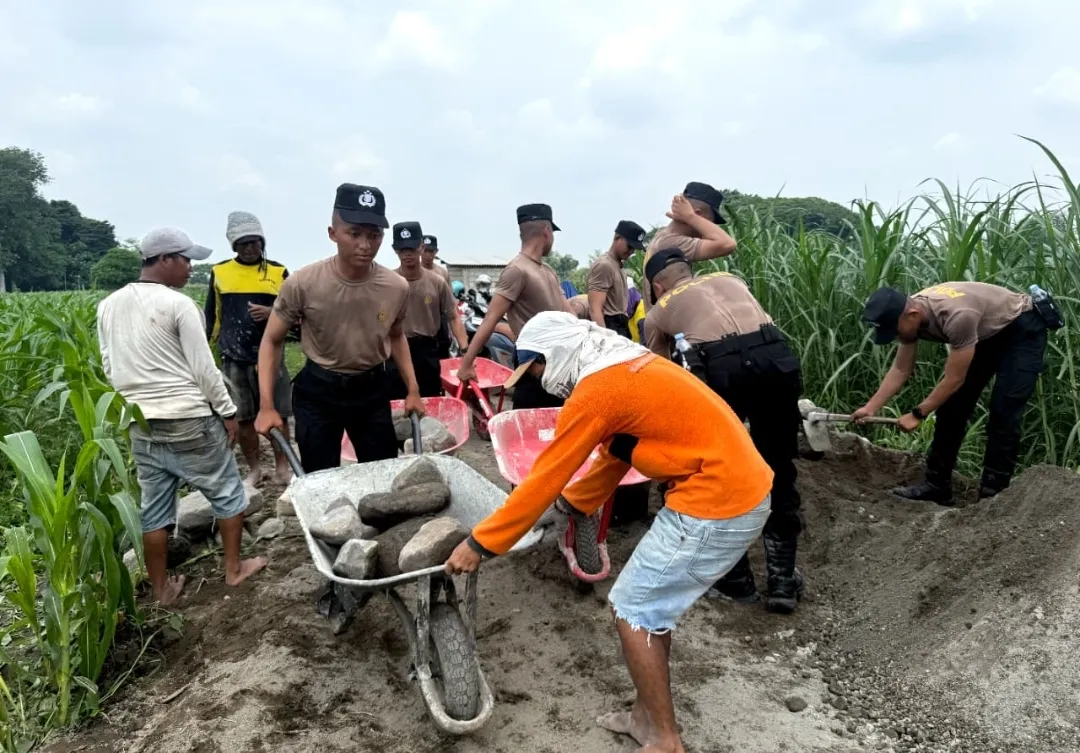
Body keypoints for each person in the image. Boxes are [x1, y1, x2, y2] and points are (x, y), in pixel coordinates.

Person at [445, 311, 773, 753]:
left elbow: (545, 477)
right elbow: (618, 453)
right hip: (737, 488)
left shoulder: (598, 390)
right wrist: (574, 504)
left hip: (717, 503)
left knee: (634, 610)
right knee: (648, 610)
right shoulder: (623, 364)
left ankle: (665, 739)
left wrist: (480, 544)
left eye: (537, 370)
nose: (542, 383)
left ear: (553, 353)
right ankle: (644, 717)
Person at [97, 227, 267, 605]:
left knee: (155, 508)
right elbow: (204, 368)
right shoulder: (179, 305)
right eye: (186, 260)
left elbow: (110, 367)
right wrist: (227, 411)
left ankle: (162, 591)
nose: (191, 267)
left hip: (141, 422)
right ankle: (234, 570)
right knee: (227, 491)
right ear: (164, 260)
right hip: (188, 418)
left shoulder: (108, 305)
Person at [644, 248, 805, 613]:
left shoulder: (658, 310)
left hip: (721, 366)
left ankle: (736, 580)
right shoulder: (730, 279)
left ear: (657, 286)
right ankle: (782, 581)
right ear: (689, 271)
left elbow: (660, 373)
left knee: (719, 470)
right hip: (775, 356)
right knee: (779, 467)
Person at [253, 184, 425, 473]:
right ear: (333, 233)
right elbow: (272, 340)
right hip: (319, 392)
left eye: (374, 235)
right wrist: (267, 406)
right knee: (321, 477)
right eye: (354, 234)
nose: (365, 245)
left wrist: (413, 390)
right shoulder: (303, 283)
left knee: (382, 473)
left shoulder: (396, 287)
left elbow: (396, 336)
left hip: (371, 392)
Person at [856, 281, 1051, 504]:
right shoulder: (910, 313)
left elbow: (954, 379)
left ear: (912, 314)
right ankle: (936, 486)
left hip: (1021, 329)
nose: (895, 336)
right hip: (984, 332)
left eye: (894, 330)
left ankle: (992, 495)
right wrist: (870, 408)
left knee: (1004, 411)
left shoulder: (957, 316)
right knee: (951, 408)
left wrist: (918, 414)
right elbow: (901, 369)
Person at [205, 211, 293, 486]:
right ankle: (254, 469)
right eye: (243, 243)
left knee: (279, 414)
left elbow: (292, 312)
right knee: (242, 417)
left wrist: (271, 312)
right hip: (234, 356)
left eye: (254, 242)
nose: (250, 248)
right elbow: (213, 315)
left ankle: (282, 468)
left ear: (262, 242)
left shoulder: (278, 272)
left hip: (271, 356)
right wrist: (208, 350)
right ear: (234, 246)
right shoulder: (220, 272)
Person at [455, 203, 572, 409]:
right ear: (547, 231)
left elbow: (569, 314)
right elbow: (491, 318)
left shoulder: (548, 271)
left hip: (559, 365)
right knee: (528, 421)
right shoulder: (517, 270)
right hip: (533, 366)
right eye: (552, 233)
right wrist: (466, 363)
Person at [390, 221, 468, 397]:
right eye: (402, 249)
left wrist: (465, 350)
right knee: (398, 403)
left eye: (412, 248)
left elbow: (453, 316)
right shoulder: (388, 282)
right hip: (397, 352)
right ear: (395, 250)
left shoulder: (437, 282)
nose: (407, 253)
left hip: (427, 351)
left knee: (430, 401)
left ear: (421, 247)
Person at [641, 182, 737, 311]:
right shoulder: (671, 243)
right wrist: (690, 217)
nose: (710, 227)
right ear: (697, 214)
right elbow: (728, 244)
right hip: (671, 322)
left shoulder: (662, 235)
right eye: (710, 222)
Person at [586, 220, 646, 338]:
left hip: (621, 325)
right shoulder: (604, 265)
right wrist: (605, 339)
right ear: (618, 238)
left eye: (634, 248)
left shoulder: (618, 266)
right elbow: (595, 309)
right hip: (609, 325)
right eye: (629, 246)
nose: (631, 251)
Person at [422, 234, 453, 358]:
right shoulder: (413, 271)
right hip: (420, 319)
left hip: (440, 317)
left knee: (443, 352)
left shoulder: (442, 273)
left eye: (430, 251)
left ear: (436, 252)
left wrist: (451, 329)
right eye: (425, 250)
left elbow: (450, 301)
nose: (427, 255)